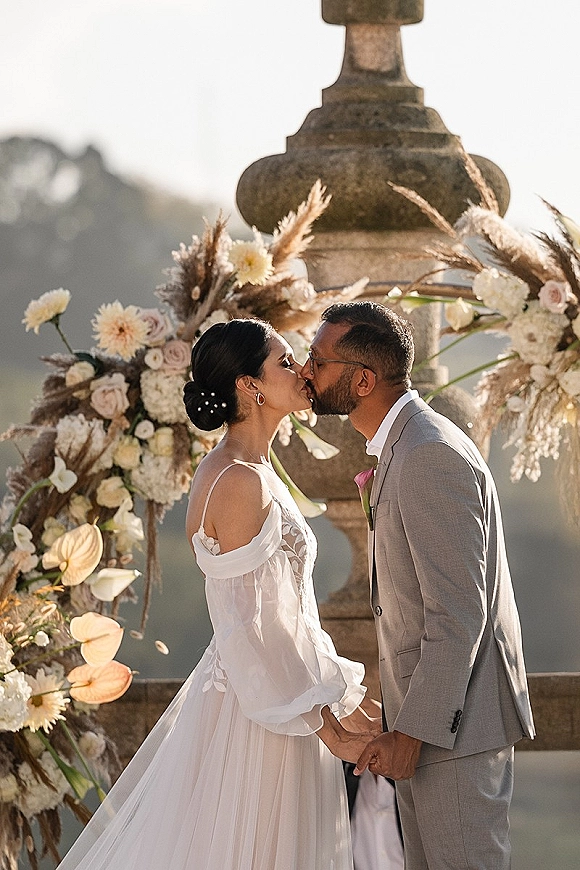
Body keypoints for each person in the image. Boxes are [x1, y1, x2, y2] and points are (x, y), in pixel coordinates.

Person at [55, 317, 380, 870]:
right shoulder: (237, 481)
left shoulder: (252, 469)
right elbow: (252, 630)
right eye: (283, 361)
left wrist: (342, 700)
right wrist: (330, 731)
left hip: (283, 699)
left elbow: (289, 612)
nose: (301, 369)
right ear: (249, 387)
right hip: (262, 715)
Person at [302, 301, 535, 870]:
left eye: (318, 359)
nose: (306, 369)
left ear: (362, 378)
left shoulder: (428, 453)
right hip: (430, 728)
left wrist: (411, 736)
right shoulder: (406, 445)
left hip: (456, 734)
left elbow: (458, 614)